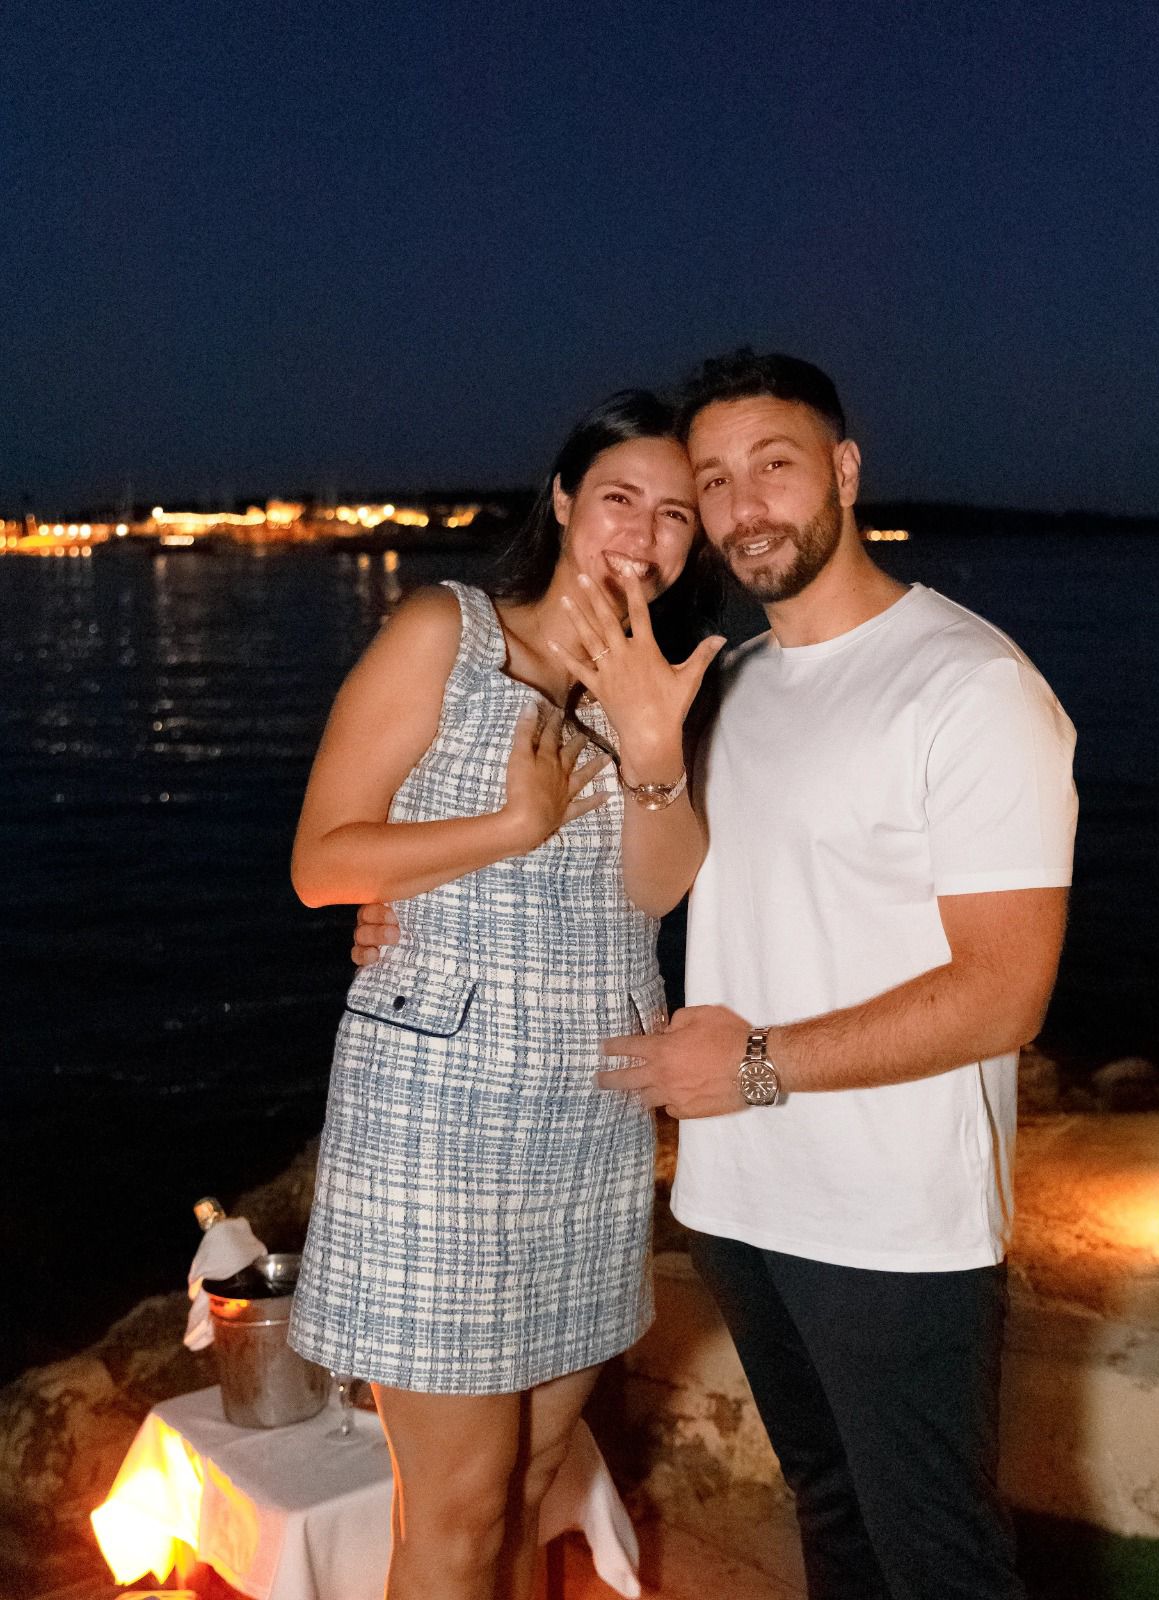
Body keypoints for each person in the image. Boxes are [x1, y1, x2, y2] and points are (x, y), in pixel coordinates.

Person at [355, 349, 1077, 1599]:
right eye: (714, 481)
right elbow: (622, 869)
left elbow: (1004, 991)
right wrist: (398, 890)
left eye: (773, 466)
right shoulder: (724, 682)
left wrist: (747, 1064)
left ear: (843, 471)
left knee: (938, 1555)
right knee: (832, 1515)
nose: (744, 506)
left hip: (889, 1216)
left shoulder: (968, 685)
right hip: (741, 1203)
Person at [288, 388, 725, 1600]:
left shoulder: (666, 685)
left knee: (533, 1481)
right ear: (564, 500)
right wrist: (504, 827)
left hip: (590, 1112)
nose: (644, 533)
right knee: (459, 1502)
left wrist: (651, 747)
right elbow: (321, 862)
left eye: (674, 514)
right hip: (440, 1108)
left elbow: (659, 888)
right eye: (620, 498)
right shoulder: (447, 630)